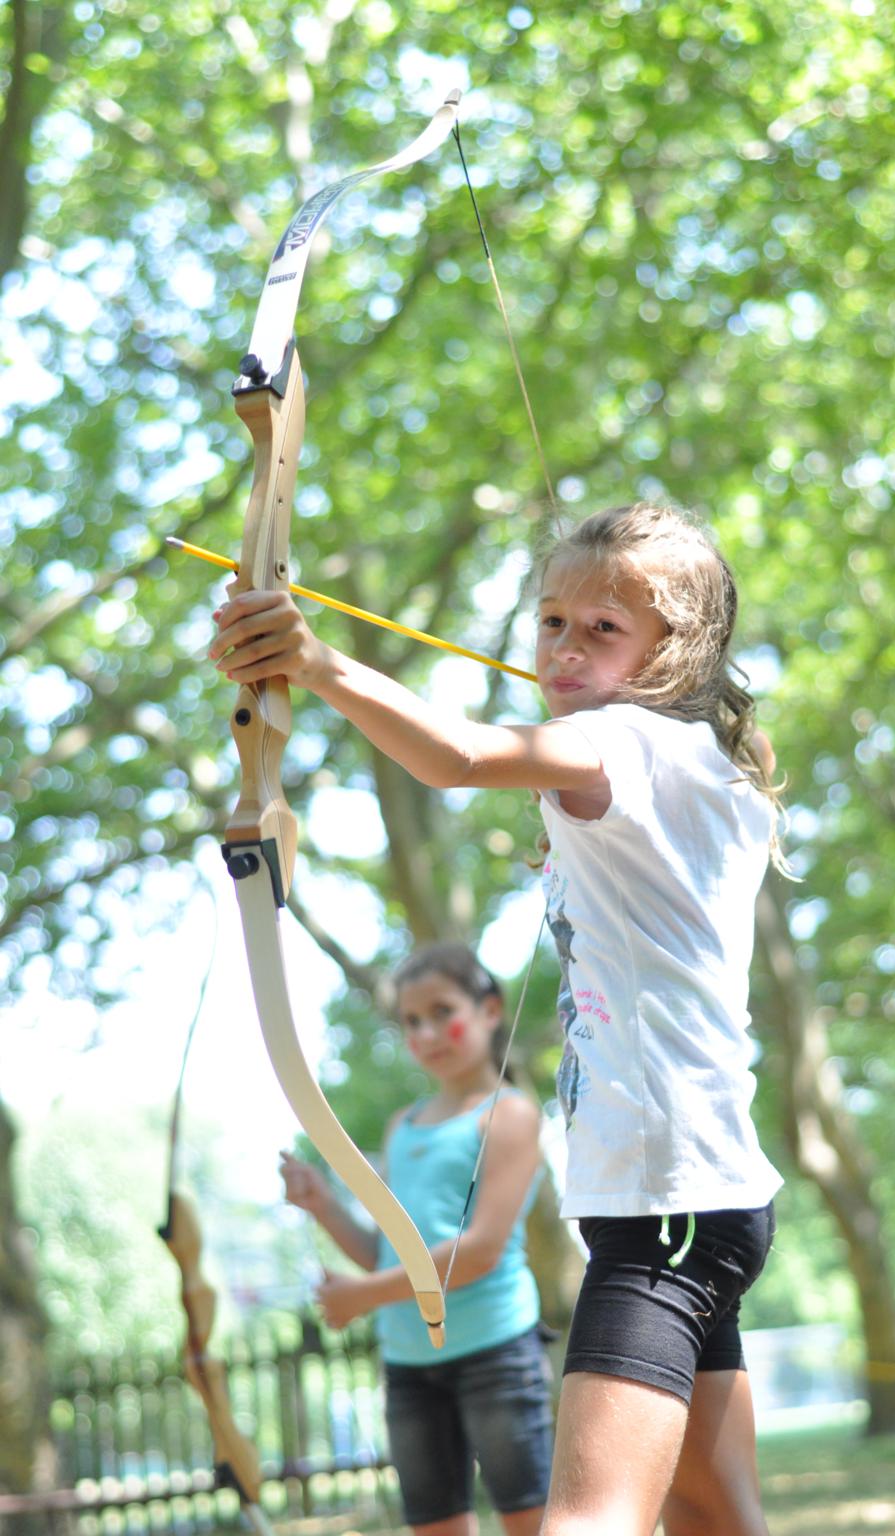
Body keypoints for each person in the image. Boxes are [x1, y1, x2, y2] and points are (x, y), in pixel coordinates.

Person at [212, 500, 784, 1536]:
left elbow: (461, 757)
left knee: (585, 1522)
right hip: (702, 1199)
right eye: (551, 621)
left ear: (677, 649)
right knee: (711, 1513)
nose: (565, 647)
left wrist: (315, 662)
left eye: (604, 629)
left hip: (668, 1206)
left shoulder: (633, 745)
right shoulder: (692, 766)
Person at [279, 942, 552, 1536]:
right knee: (434, 1526)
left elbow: (480, 1251)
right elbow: (385, 1251)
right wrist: (321, 1203)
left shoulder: (510, 1114)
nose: (428, 1032)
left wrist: (363, 1296)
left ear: (489, 1009)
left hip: (495, 1351)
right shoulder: (402, 1124)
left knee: (531, 1519)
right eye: (412, 1021)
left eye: (442, 1010)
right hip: (409, 1361)